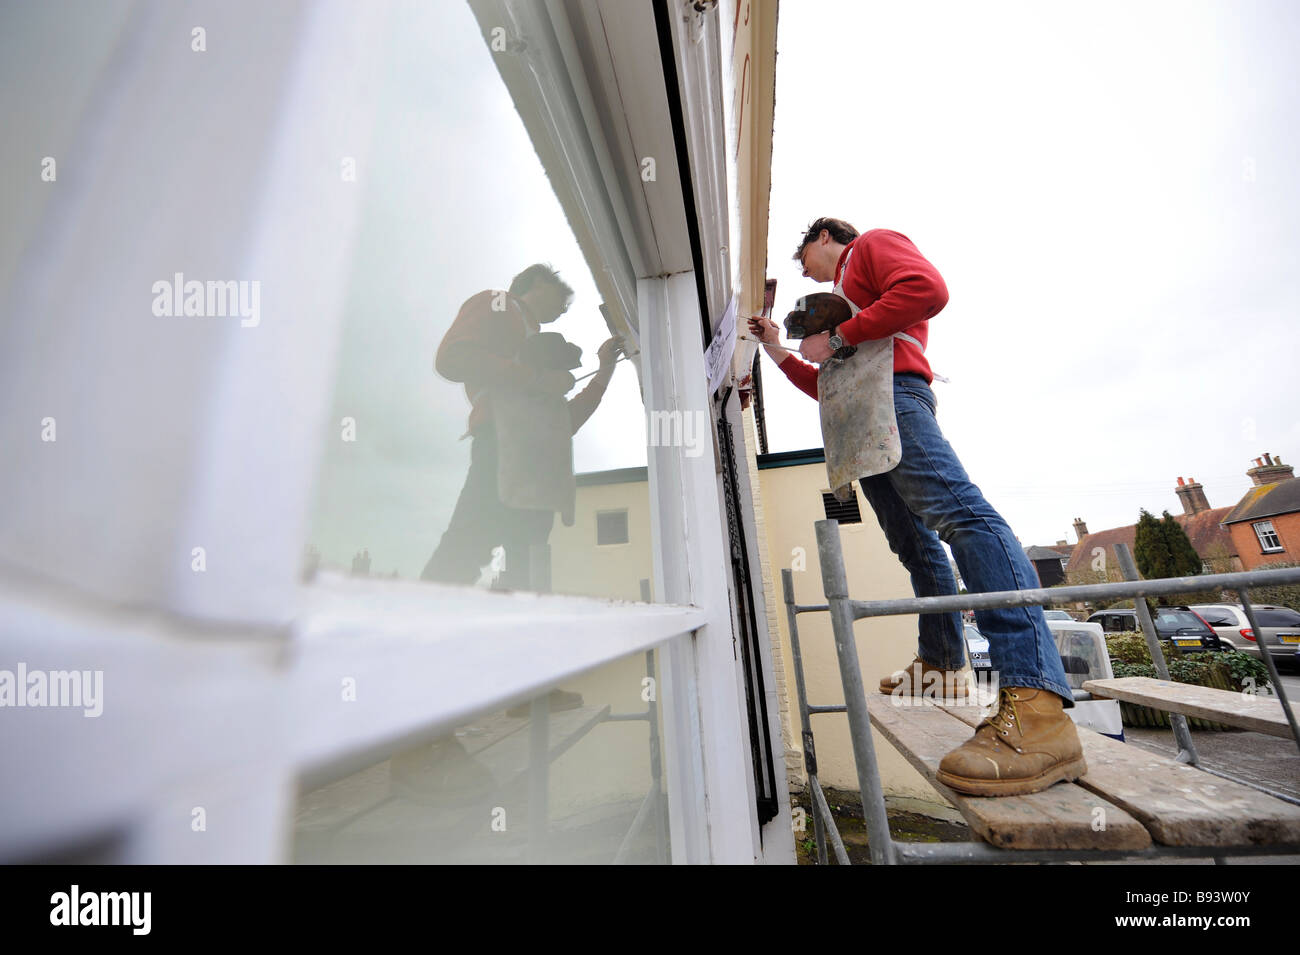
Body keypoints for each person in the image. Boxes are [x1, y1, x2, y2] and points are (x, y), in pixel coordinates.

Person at [748, 218, 1086, 797]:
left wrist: (838, 336)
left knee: (964, 519)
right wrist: (779, 349)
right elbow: (825, 383)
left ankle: (1039, 704)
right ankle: (942, 666)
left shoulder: (871, 246)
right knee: (914, 545)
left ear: (826, 235)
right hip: (859, 418)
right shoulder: (844, 310)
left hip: (896, 399)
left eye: (803, 253)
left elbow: (928, 290)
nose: (802, 266)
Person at [422, 263, 621, 592]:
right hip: (504, 442)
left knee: (527, 569)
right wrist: (538, 379)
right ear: (539, 281)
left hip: (537, 462)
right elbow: (452, 357)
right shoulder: (499, 303)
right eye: (561, 296)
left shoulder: (537, 344)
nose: (564, 307)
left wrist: (605, 371)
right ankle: (418, 624)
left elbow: (563, 424)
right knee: (466, 548)